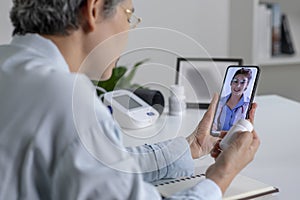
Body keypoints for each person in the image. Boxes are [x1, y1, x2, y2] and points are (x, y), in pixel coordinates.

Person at [0, 0, 260, 199]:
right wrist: (221, 176)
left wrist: (192, 146)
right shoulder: (66, 98)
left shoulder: (9, 66)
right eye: (128, 15)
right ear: (94, 9)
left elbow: (104, 166)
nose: (129, 29)